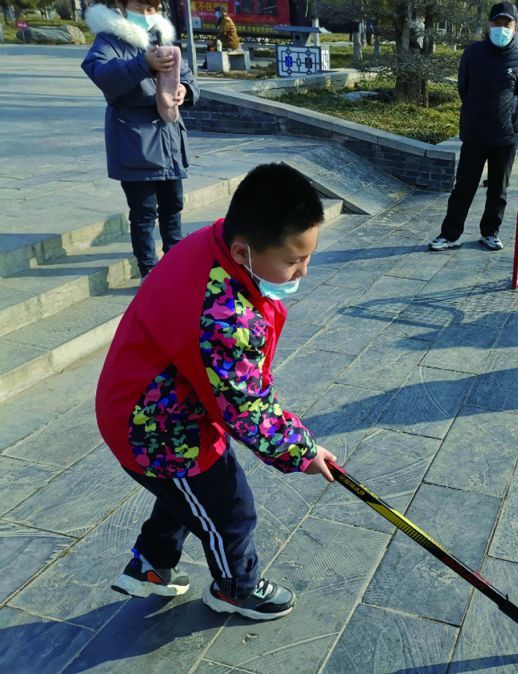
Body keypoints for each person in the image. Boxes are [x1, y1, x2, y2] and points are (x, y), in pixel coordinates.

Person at [95, 163, 338, 621]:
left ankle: (151, 565)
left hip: (147, 399)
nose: (304, 269)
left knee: (188, 493)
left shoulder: (215, 241)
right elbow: (246, 406)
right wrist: (301, 451)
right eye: (292, 261)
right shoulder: (225, 315)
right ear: (243, 250)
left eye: (308, 255)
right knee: (230, 510)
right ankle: (235, 588)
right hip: (155, 425)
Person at [82, 0, 199, 282]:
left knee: (173, 205)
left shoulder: (163, 36)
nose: (146, 14)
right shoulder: (110, 39)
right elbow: (103, 75)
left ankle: (175, 259)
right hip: (134, 139)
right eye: (139, 6)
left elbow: (188, 78)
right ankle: (149, 269)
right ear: (121, 5)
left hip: (169, 137)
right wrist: (142, 64)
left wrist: (185, 89)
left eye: (151, 8)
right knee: (144, 211)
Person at [428, 2, 518, 252]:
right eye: (497, 23)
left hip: (505, 137)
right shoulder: (473, 52)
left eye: (507, 24)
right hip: (475, 134)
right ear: (489, 24)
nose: (501, 28)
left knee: (498, 190)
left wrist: (505, 117)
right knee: (463, 188)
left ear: (516, 26)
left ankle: (490, 233)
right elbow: (463, 87)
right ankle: (450, 234)